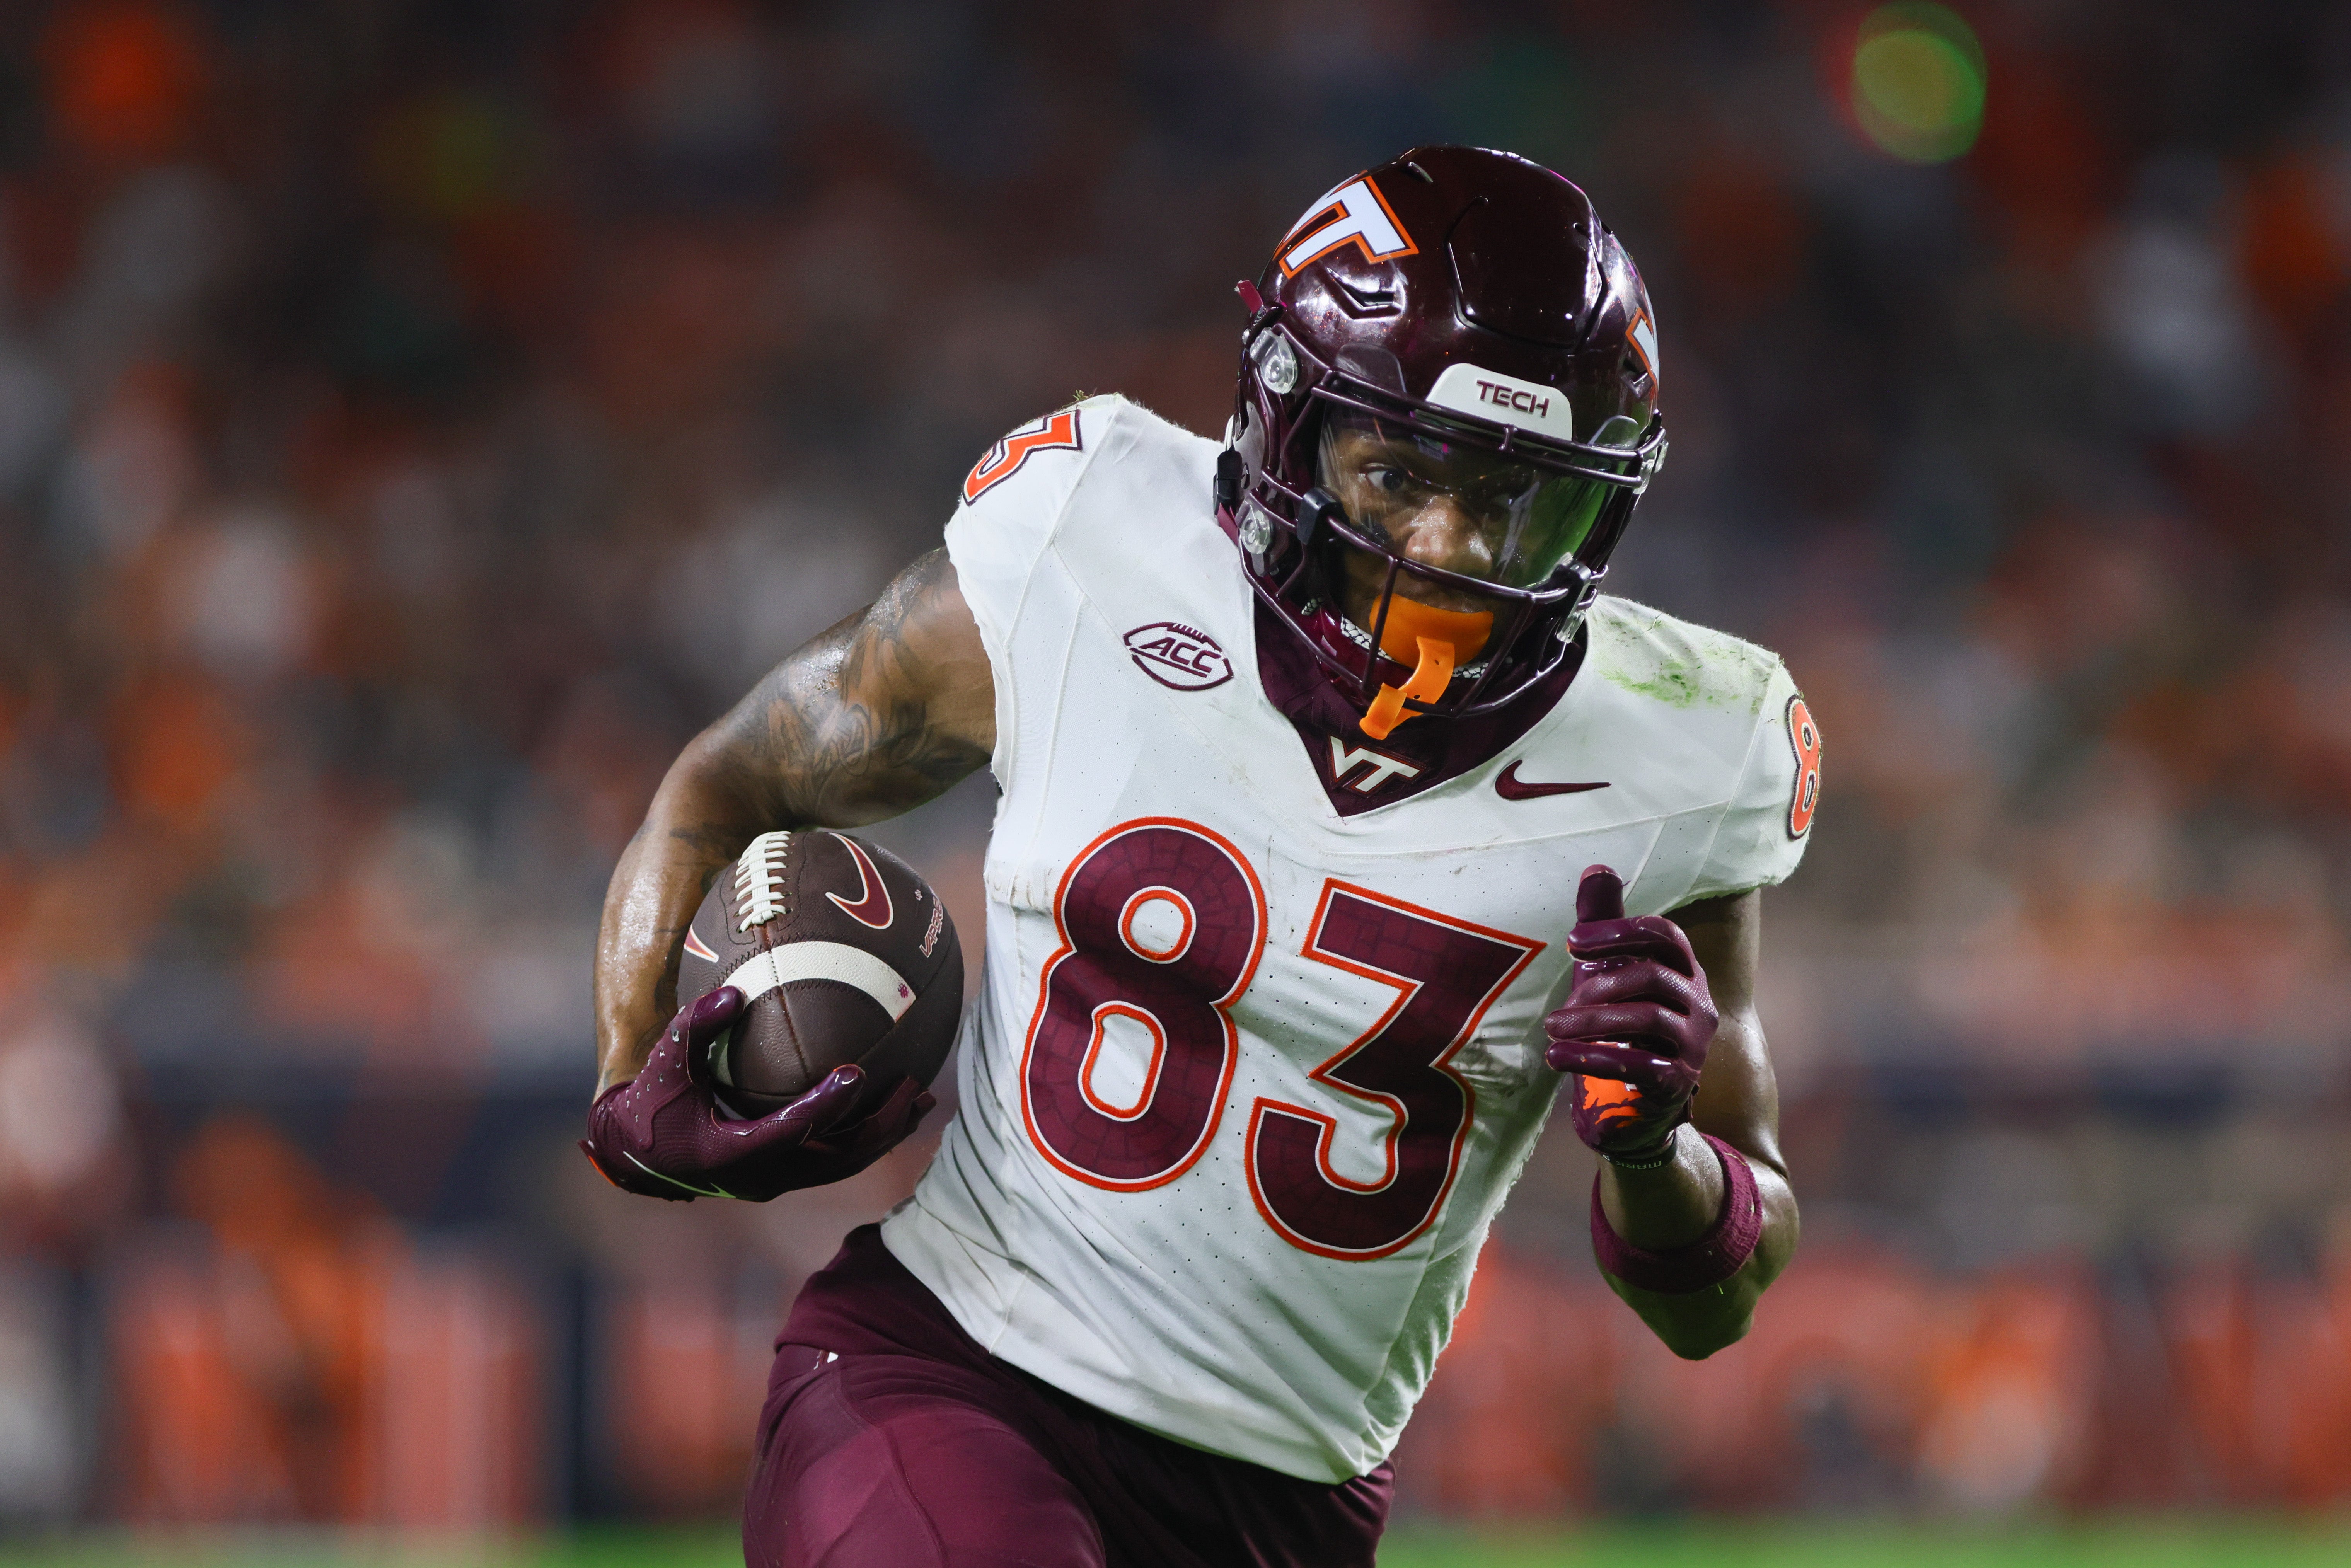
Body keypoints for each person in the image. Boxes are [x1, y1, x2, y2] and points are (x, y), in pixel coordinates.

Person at [585, 145, 1819, 1567]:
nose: (1451, 549)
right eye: (1399, 470)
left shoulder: (1690, 749)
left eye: (1516, 499)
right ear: (1284, 423)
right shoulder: (1093, 539)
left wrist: (1658, 1149)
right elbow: (730, 777)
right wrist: (627, 1073)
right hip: (952, 1374)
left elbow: (1714, 1295)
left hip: (1287, 1504)